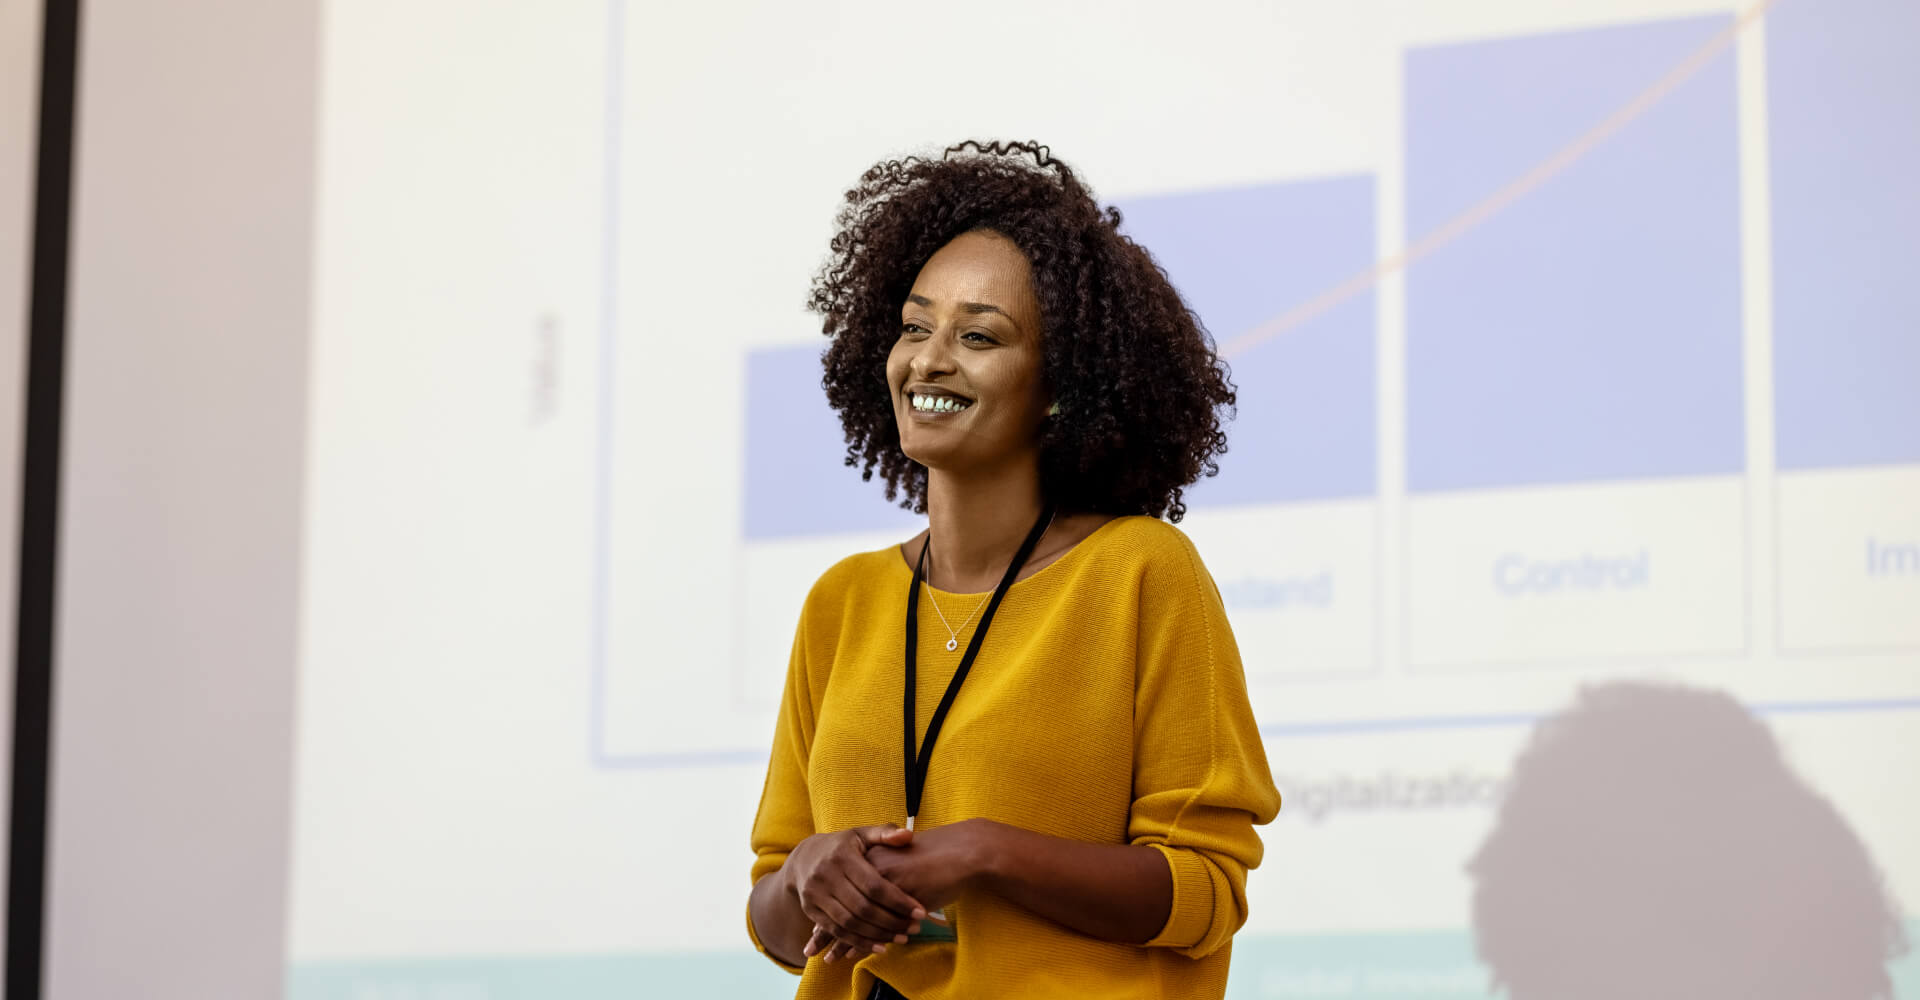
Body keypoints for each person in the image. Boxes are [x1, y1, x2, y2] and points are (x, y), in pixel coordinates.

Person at [746, 140, 1282, 1000]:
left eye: (979, 336)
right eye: (915, 326)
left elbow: (1204, 893)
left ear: (1062, 386)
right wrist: (808, 871)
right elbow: (773, 919)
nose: (929, 359)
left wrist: (985, 852)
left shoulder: (1142, 573)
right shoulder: (840, 604)